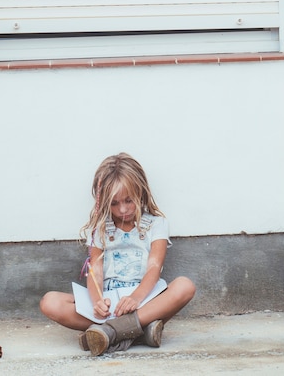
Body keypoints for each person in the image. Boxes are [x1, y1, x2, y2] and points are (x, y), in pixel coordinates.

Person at [39, 152, 196, 356]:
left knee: (185, 286)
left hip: (144, 300)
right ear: (103, 201)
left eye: (129, 200)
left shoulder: (156, 225)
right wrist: (97, 302)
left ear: (140, 192)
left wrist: (135, 298)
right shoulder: (100, 229)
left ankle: (108, 333)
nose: (123, 209)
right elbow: (95, 270)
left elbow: (154, 267)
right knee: (50, 302)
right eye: (114, 203)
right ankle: (137, 332)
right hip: (110, 303)